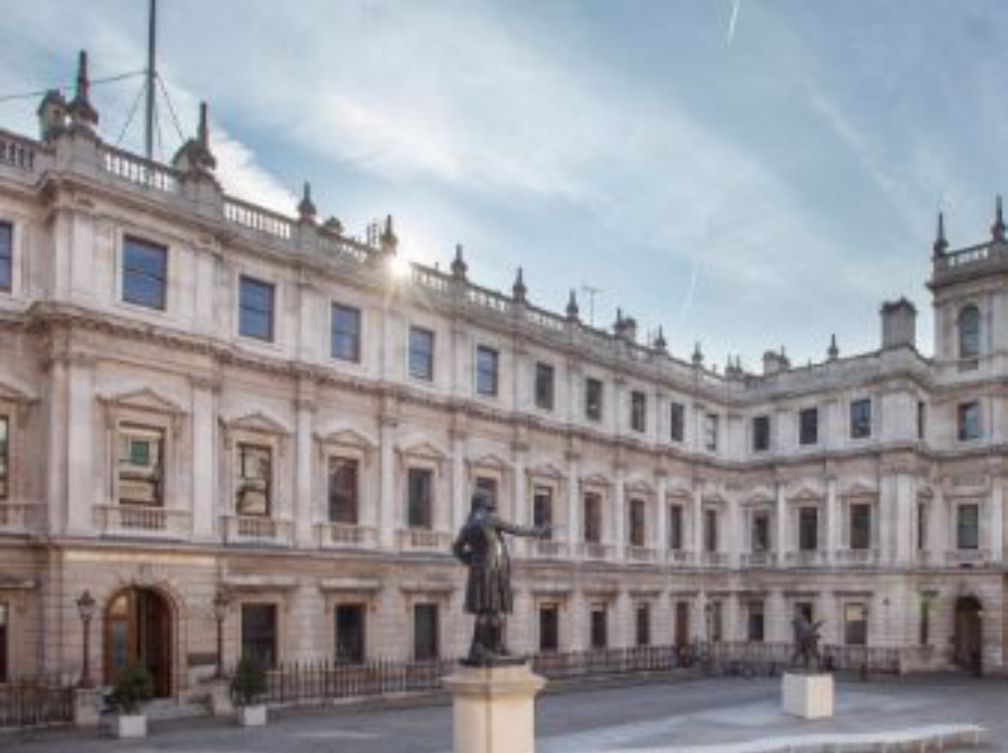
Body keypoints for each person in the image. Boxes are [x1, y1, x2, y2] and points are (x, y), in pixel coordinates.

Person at [452, 493, 549, 665]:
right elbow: (516, 530)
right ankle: (484, 647)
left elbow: (457, 549)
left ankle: (492, 646)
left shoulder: (468, 525)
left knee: (489, 610)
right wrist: (538, 531)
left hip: (482, 572)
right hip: (494, 572)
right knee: (490, 609)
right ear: (487, 505)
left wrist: (473, 561)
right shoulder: (490, 519)